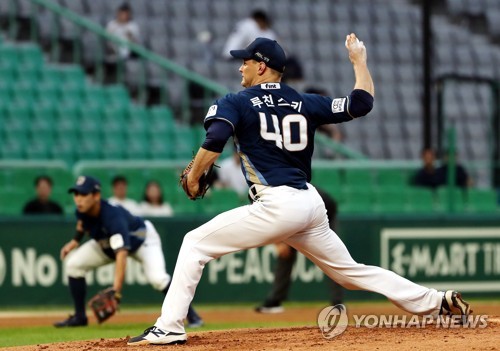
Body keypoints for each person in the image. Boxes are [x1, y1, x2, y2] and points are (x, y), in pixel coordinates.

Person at [128, 36, 471, 346]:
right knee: (350, 273)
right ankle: (436, 301)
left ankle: (169, 326)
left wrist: (194, 174)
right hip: (310, 202)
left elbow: (215, 139)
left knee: (194, 244)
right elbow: (361, 103)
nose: (240, 65)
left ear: (261, 66)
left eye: (245, 60)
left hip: (278, 203)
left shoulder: (236, 101)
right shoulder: (303, 101)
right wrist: (358, 60)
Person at [54, 176, 202, 328]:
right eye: (76, 194)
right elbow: (81, 224)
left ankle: (193, 316)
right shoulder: (81, 210)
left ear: (96, 195)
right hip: (107, 244)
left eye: (83, 194)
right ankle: (80, 317)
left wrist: (116, 290)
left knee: (158, 279)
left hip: (142, 240)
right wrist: (74, 242)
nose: (78, 199)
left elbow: (122, 253)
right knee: (73, 265)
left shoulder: (112, 216)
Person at [255, 189, 343, 313]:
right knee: (285, 255)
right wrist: (280, 242)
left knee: (331, 256)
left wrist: (280, 241)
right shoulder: (273, 197)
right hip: (299, 214)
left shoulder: (286, 197)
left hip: (324, 212)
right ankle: (275, 301)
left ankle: (337, 302)